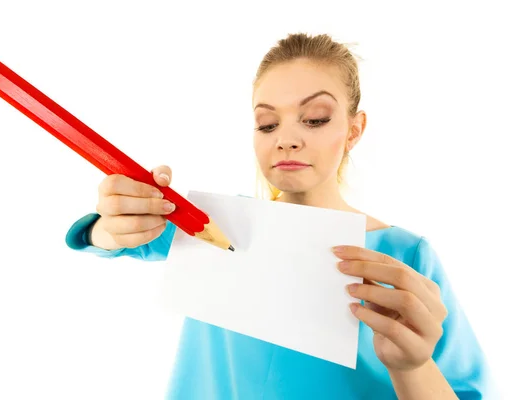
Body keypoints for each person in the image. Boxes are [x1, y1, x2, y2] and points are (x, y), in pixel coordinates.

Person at [64, 33, 496, 399]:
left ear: (354, 130)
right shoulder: (215, 224)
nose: (286, 139)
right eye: (267, 124)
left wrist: (412, 364)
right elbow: (111, 238)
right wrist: (110, 226)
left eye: (314, 119)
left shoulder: (404, 256)